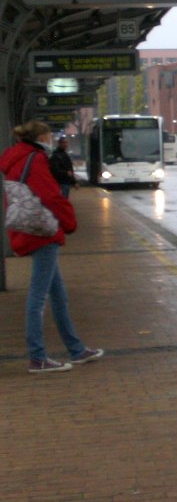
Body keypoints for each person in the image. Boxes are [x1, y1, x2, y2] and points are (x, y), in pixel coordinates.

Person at [1, 120, 103, 374]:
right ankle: (38, 357)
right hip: (43, 231)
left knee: (58, 294)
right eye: (48, 136)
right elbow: (50, 196)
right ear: (42, 137)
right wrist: (68, 222)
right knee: (38, 297)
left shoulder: (16, 159)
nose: (51, 140)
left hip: (30, 228)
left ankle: (76, 349)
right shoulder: (35, 160)